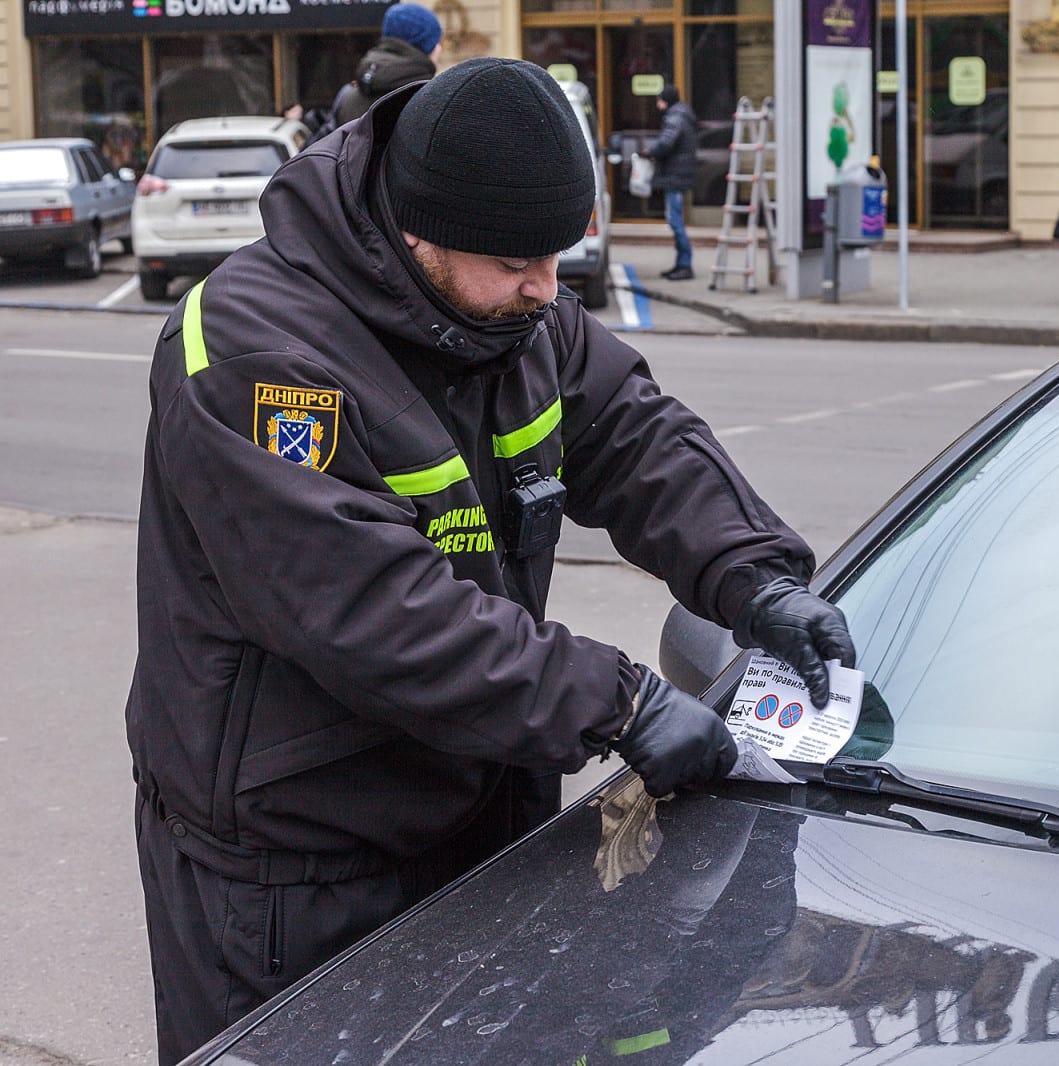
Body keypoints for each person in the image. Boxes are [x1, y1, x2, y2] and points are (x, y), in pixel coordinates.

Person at [125, 58, 855, 1063]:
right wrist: (619, 700)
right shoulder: (255, 350)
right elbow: (371, 610)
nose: (549, 288)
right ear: (418, 230)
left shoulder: (512, 307)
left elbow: (637, 438)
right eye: (521, 260)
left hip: (478, 818)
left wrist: (755, 573)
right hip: (293, 868)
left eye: (559, 254)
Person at [313, 2, 442, 140]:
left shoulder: (347, 98)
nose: (440, 48)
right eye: (437, 42)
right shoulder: (438, 102)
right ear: (429, 48)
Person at [643, 84, 698, 280]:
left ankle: (685, 264)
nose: (658, 105)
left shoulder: (675, 117)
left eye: (659, 100)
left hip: (675, 176)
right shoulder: (681, 115)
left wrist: (650, 151)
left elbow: (667, 142)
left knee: (675, 222)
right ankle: (681, 264)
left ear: (666, 100)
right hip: (678, 175)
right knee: (675, 221)